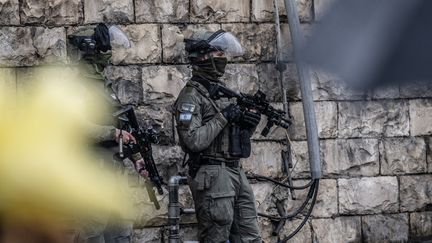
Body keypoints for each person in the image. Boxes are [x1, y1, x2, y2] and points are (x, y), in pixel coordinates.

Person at [174, 29, 263, 243]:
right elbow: (193, 141)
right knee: (216, 237)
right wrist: (224, 116)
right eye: (218, 53)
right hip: (212, 174)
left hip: (234, 171)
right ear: (203, 58)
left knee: (250, 237)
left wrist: (248, 124)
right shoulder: (191, 96)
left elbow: (227, 137)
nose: (223, 58)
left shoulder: (220, 92)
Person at [67, 23, 147, 243]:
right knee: (93, 232)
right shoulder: (78, 86)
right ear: (92, 49)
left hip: (115, 170)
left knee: (121, 232)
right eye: (105, 48)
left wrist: (138, 158)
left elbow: (121, 124)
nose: (109, 53)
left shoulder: (104, 86)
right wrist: (113, 133)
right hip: (93, 172)